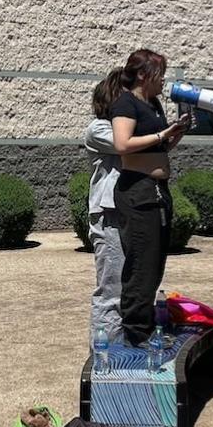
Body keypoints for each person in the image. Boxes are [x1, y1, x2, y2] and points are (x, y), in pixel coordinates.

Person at [110, 49, 191, 346]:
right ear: (143, 75)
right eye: (160, 74)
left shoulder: (154, 104)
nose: (164, 81)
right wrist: (161, 135)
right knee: (141, 265)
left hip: (157, 192)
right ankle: (135, 332)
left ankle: (142, 328)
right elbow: (122, 143)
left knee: (155, 264)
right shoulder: (125, 103)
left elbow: (158, 150)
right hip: (137, 191)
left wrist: (175, 134)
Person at [85, 69, 126, 342]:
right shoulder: (98, 129)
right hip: (108, 216)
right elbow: (127, 145)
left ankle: (129, 350)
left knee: (132, 290)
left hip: (132, 212)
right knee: (111, 291)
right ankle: (106, 361)